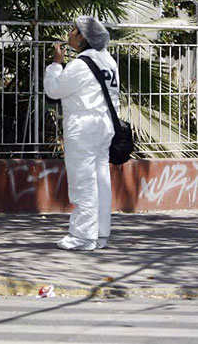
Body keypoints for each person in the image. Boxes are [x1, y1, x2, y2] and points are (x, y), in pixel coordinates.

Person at [44, 15, 120, 251]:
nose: (69, 33)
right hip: (104, 124)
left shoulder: (80, 64)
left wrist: (56, 65)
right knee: (100, 180)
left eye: (73, 30)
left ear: (83, 37)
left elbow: (54, 90)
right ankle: (100, 233)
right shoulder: (109, 62)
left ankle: (82, 236)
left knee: (83, 181)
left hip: (83, 126)